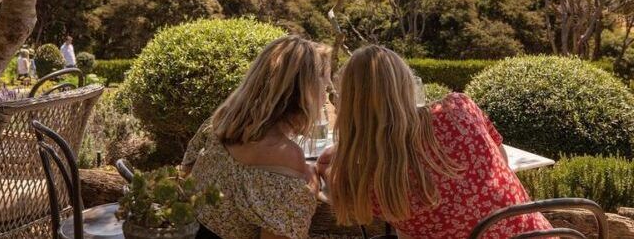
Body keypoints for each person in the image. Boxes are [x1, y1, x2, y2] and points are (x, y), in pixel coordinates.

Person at [318, 45, 552, 238]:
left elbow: (336, 192)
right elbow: (500, 160)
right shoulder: (460, 108)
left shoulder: (377, 182)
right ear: (406, 83)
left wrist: (341, 158)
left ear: (350, 105)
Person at [182, 36, 332, 239]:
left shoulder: (219, 123)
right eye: (325, 84)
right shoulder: (286, 155)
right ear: (306, 94)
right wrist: (311, 184)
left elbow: (189, 175)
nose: (326, 94)